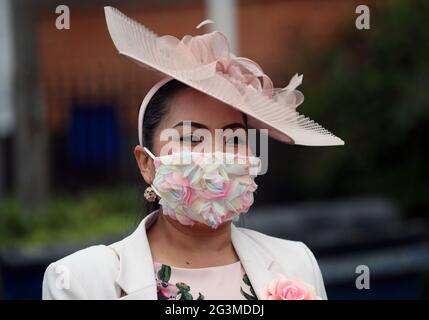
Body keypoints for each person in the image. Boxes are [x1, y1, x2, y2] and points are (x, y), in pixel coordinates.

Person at [42, 6, 344, 300]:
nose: (216, 154)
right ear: (146, 163)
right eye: (191, 137)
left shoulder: (296, 264)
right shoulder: (82, 282)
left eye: (233, 139)